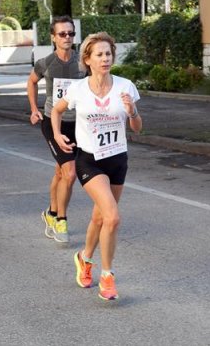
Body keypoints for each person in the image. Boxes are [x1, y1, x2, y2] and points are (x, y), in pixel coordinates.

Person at [51, 32, 142, 301]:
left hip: (118, 159)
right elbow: (56, 110)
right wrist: (57, 135)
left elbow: (137, 128)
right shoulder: (78, 89)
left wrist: (133, 112)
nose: (105, 58)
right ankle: (107, 276)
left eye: (108, 54)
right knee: (112, 216)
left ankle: (84, 257)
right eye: (99, 54)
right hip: (89, 159)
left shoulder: (125, 87)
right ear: (88, 59)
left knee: (100, 217)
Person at [27, 16, 83, 243]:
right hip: (53, 121)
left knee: (61, 172)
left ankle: (50, 213)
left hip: (78, 123)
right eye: (62, 34)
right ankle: (61, 219)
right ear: (53, 37)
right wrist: (33, 109)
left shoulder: (83, 62)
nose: (67, 37)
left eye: (70, 33)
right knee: (69, 173)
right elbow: (31, 82)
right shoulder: (45, 62)